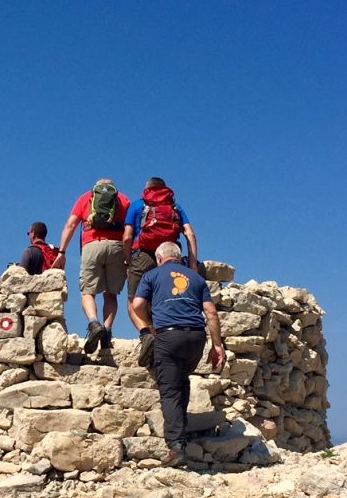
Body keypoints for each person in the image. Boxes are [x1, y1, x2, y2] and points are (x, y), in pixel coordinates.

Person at [130, 241, 225, 465]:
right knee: (182, 380)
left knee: (170, 390)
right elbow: (210, 311)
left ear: (159, 258)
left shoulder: (152, 275)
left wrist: (148, 327)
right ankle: (181, 432)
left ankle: (176, 446)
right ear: (180, 258)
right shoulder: (197, 278)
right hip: (195, 337)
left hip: (168, 337)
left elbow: (137, 305)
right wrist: (217, 345)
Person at [55, 179, 131, 353]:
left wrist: (62, 252)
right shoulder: (123, 200)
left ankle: (93, 322)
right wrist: (128, 256)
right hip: (117, 247)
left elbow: (71, 224)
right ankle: (107, 331)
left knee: (87, 292)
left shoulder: (87, 198)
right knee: (111, 295)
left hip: (92, 244)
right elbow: (130, 231)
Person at [124, 177, 200, 322]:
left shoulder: (137, 205)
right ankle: (162, 335)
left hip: (143, 256)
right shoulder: (175, 207)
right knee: (164, 299)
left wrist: (127, 262)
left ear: (146, 189)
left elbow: (127, 237)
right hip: (171, 258)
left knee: (134, 302)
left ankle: (147, 333)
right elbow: (190, 234)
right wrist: (193, 264)